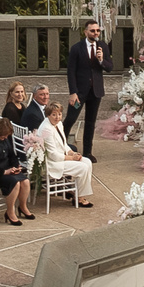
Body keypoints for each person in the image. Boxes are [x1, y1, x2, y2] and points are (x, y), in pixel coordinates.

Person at [64, 19, 108, 158]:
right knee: (70, 119)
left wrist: (101, 60)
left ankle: (88, 152)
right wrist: (73, 92)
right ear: (85, 32)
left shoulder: (102, 46)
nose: (96, 33)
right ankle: (61, 147)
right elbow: (71, 71)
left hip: (96, 91)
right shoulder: (77, 48)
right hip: (79, 92)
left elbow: (109, 67)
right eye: (92, 30)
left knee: (90, 122)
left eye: (98, 30)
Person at [34, 115, 97, 207]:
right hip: (53, 163)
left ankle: (79, 195)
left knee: (87, 161)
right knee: (83, 167)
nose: (57, 117)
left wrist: (72, 153)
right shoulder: (46, 129)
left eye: (59, 114)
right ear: (48, 115)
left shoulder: (58, 124)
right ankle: (79, 198)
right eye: (54, 115)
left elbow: (64, 144)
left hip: (62, 157)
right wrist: (72, 158)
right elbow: (53, 155)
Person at [0, 118, 35, 224]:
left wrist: (16, 166)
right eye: (3, 136)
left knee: (25, 182)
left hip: (9, 168)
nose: (5, 138)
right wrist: (4, 172)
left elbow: (12, 154)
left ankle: (22, 207)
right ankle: (10, 212)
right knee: (15, 183)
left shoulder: (6, 137)